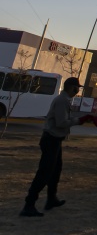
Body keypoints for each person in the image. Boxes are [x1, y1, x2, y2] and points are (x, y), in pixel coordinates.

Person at [20, 76, 82, 217]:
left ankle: (51, 198)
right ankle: (29, 204)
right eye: (77, 87)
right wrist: (78, 121)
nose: (78, 90)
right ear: (72, 87)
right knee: (45, 172)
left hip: (55, 140)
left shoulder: (64, 100)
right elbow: (61, 122)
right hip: (51, 140)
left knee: (55, 170)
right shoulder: (62, 101)